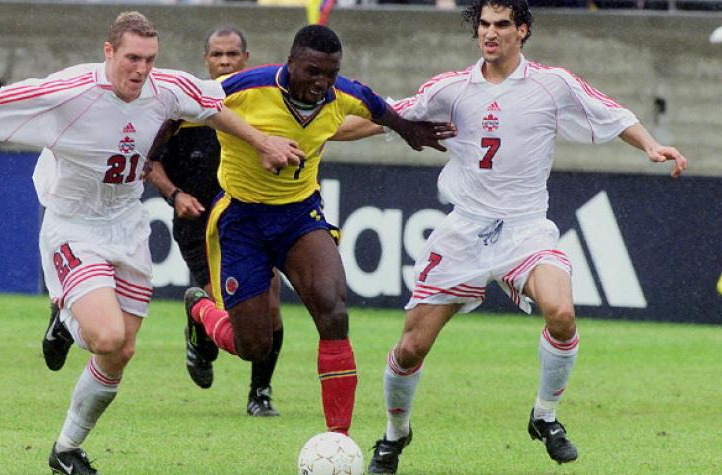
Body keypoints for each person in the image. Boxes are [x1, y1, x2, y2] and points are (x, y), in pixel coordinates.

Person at [0, 12, 303, 474]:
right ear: (109, 51)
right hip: (73, 225)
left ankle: (67, 448)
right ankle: (65, 320)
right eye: (132, 58)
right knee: (107, 336)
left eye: (149, 59)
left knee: (121, 352)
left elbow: (216, 107)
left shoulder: (166, 87)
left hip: (128, 224)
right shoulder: (71, 90)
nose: (140, 69)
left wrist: (261, 141)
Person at [332, 0, 687, 472]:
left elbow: (611, 112)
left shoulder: (551, 84)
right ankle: (395, 435)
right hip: (464, 231)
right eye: (483, 24)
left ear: (522, 31)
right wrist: (320, 134)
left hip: (525, 229)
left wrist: (651, 145)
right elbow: (383, 117)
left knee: (561, 313)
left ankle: (545, 415)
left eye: (502, 25)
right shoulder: (451, 90)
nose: (490, 33)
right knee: (411, 348)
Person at [181, 24, 456, 436]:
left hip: (298, 215)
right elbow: (178, 107)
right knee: (252, 346)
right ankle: (201, 309)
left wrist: (408, 130)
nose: (321, 83)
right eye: (312, 72)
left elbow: (379, 110)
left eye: (330, 74)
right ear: (290, 63)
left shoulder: (343, 93)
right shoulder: (244, 87)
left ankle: (338, 441)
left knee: (334, 311)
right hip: (242, 219)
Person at [146, 26, 284, 417]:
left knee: (270, 305)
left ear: (246, 58)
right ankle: (200, 328)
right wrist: (175, 195)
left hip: (252, 218)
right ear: (206, 60)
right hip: (201, 222)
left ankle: (260, 394)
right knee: (229, 312)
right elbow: (148, 160)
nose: (225, 61)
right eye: (217, 54)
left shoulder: (262, 106)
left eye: (232, 54)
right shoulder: (184, 109)